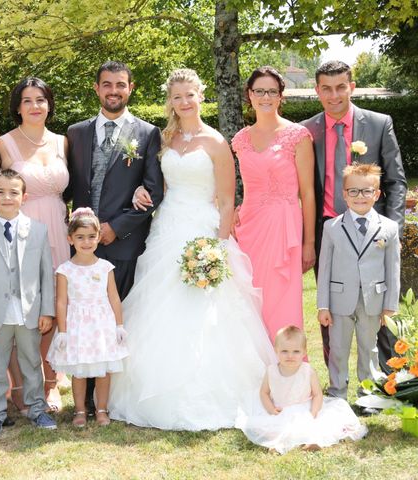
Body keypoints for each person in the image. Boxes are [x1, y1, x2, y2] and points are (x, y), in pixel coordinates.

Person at [109, 69, 275, 431]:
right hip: (167, 227)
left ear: (201, 96)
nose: (183, 102)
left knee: (208, 311)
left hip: (203, 229)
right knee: (158, 302)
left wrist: (218, 245)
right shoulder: (164, 139)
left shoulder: (216, 142)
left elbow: (229, 201)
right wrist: (142, 192)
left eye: (190, 95)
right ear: (170, 101)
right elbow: (158, 186)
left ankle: (212, 392)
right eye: (177, 97)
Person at [65, 61, 164, 413]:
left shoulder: (148, 133)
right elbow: (69, 185)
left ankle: (110, 399)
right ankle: (85, 400)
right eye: (106, 85)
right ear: (96, 89)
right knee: (82, 319)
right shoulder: (75, 133)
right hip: (81, 250)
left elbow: (154, 190)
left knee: (114, 320)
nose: (113, 91)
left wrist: (115, 227)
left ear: (131, 88)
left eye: (120, 85)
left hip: (123, 244)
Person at [301, 60, 407, 371]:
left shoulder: (378, 123)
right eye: (326, 89)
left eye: (340, 87)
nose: (334, 95)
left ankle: (388, 378)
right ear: (317, 91)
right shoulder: (306, 131)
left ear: (352, 87)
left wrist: (393, 231)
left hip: (374, 232)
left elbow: (395, 181)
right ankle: (337, 383)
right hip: (328, 230)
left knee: (379, 304)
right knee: (330, 307)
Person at [0, 77, 69, 414]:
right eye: (27, 100)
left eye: (41, 99)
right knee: (22, 311)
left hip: (57, 229)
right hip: (21, 232)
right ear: (17, 107)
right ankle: (22, 386)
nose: (35, 106)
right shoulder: (4, 144)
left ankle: (52, 385)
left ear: (49, 104)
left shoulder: (63, 142)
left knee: (53, 308)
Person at [0, 169, 57, 439]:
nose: (7, 197)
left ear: (24, 196)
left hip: (29, 311)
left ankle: (37, 409)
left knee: (32, 361)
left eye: (14, 192)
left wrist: (47, 311)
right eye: (0, 192)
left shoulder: (38, 231)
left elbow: (46, 274)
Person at [231, 66, 316, 341]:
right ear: (250, 95)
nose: (265, 97)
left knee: (281, 301)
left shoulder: (298, 136)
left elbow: (308, 194)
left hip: (283, 228)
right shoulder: (240, 140)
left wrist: (309, 243)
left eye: (271, 91)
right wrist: (234, 208)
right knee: (248, 299)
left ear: (281, 96)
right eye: (259, 91)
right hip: (248, 228)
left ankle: (286, 369)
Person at [317, 163, 401, 406]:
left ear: (377, 194)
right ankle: (337, 395)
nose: (360, 197)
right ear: (344, 194)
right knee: (338, 349)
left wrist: (390, 306)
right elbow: (325, 269)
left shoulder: (389, 228)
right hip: (339, 299)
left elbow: (392, 269)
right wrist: (323, 305)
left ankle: (367, 396)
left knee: (369, 349)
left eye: (366, 191)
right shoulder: (332, 227)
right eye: (353, 191)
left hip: (373, 299)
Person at [46, 208, 129, 427]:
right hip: (77, 325)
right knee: (80, 371)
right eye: (80, 237)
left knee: (103, 369)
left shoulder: (105, 267)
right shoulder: (65, 270)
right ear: (70, 239)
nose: (86, 242)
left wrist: (119, 325)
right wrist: (62, 331)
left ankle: (102, 409)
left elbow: (114, 298)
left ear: (99, 237)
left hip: (101, 325)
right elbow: (62, 302)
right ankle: (80, 410)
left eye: (91, 237)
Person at [235, 326, 367, 454]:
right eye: (284, 351)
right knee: (272, 428)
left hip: (304, 408)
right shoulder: (271, 371)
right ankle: (278, 444)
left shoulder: (307, 371)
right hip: (281, 410)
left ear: (304, 352)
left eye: (296, 351)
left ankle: (313, 442)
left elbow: (317, 395)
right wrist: (271, 409)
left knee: (314, 424)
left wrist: (314, 412)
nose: (290, 356)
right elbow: (264, 392)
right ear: (276, 350)